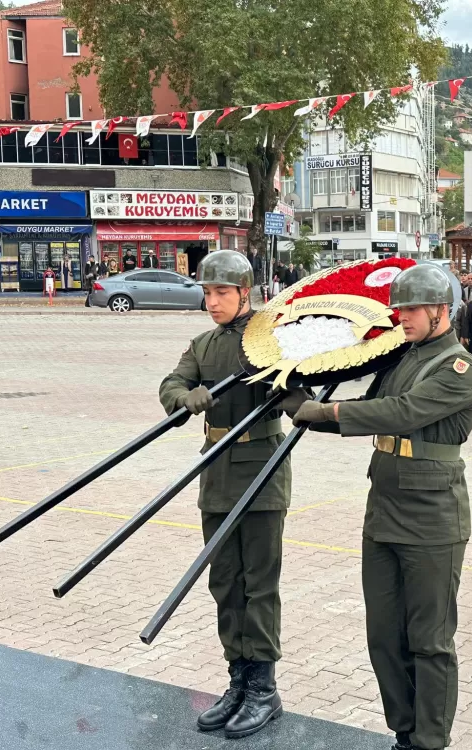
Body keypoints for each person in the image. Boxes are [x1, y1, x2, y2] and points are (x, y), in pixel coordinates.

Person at [293, 264, 472, 750]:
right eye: (399, 309)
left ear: (441, 310)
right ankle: (404, 730)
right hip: (384, 509)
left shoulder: (458, 368)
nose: (403, 317)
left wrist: (327, 410)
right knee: (383, 635)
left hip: (432, 517)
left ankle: (430, 741)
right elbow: (368, 405)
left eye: (412, 308)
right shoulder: (402, 359)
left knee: (430, 641)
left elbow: (401, 412)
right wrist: (300, 405)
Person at [159, 251, 307, 739]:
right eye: (207, 292)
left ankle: (263, 688)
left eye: (222, 292)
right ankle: (238, 680)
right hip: (217, 472)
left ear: (245, 292)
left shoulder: (270, 338)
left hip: (262, 468)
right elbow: (173, 382)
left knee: (258, 583)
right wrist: (184, 398)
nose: (212, 301)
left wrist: (292, 389)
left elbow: (301, 389)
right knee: (224, 582)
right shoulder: (203, 344)